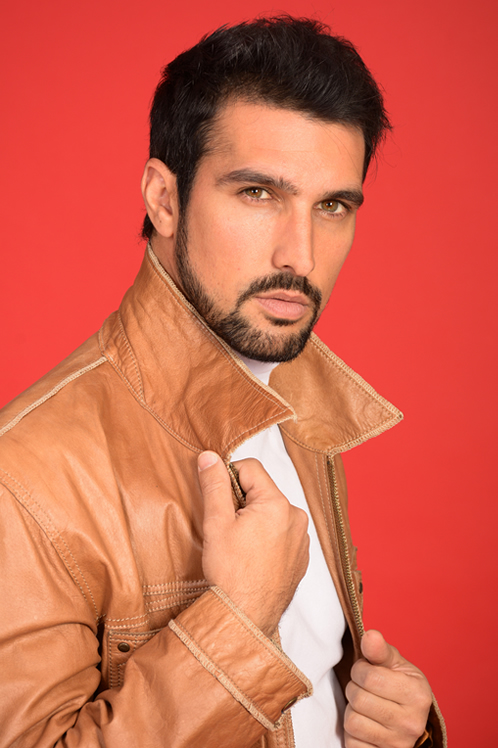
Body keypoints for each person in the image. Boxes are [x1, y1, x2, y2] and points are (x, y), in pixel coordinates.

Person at [0, 16, 446, 748]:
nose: (300, 255)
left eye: (332, 206)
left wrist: (399, 730)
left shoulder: (297, 408)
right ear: (163, 198)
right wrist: (234, 624)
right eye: (259, 193)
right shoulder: (23, 476)